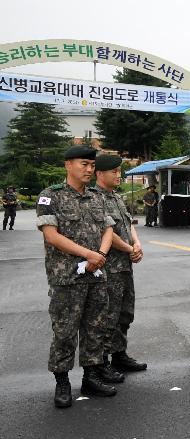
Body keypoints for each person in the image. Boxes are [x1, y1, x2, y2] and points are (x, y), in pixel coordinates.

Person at [36, 145, 116, 408]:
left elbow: (108, 228)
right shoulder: (51, 196)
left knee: (95, 328)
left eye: (92, 166)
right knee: (65, 331)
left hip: (96, 275)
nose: (89, 170)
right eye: (84, 164)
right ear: (68, 165)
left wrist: (100, 255)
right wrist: (89, 255)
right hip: (66, 278)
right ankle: (62, 381)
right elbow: (52, 235)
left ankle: (91, 377)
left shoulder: (97, 196)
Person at [94, 155, 147, 376]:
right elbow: (106, 233)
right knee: (108, 316)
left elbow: (127, 224)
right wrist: (129, 248)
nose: (119, 175)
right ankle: (102, 362)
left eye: (119, 171)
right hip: (109, 268)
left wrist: (137, 243)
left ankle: (119, 354)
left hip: (125, 266)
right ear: (100, 174)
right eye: (114, 172)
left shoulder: (115, 197)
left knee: (125, 313)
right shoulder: (95, 199)